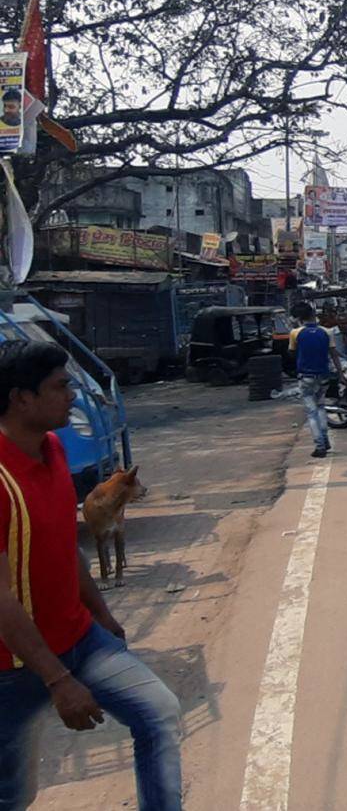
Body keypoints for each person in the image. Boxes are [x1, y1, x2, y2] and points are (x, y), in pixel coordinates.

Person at [0, 342, 183, 810]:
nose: (73, 397)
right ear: (22, 398)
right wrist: (58, 681)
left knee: (158, 713)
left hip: (80, 640)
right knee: (12, 795)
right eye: (61, 387)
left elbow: (65, 547)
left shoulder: (54, 450)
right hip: (13, 669)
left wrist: (102, 615)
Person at [291, 302, 342, 458]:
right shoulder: (327, 332)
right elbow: (334, 355)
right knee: (320, 408)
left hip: (306, 376)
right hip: (323, 375)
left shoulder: (295, 333)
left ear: (299, 318)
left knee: (311, 413)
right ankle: (325, 440)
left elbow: (292, 353)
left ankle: (320, 445)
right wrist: (341, 374)